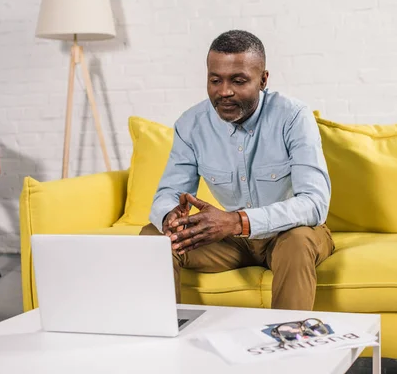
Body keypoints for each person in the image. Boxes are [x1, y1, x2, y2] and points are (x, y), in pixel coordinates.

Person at [140, 30, 334, 311]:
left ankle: (287, 347)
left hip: (290, 233)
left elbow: (314, 204)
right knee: (154, 237)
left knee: (297, 241)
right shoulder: (191, 124)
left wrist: (237, 221)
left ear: (263, 80)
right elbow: (169, 192)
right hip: (232, 242)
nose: (224, 91)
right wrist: (171, 216)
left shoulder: (293, 117)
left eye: (238, 81)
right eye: (215, 80)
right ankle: (161, 342)